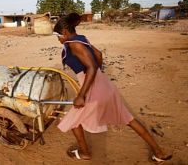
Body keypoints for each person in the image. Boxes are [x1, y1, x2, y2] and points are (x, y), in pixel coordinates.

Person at [53, 13, 172, 162]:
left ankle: (84, 152)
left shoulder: (73, 44)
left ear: (64, 32)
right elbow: (99, 55)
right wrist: (99, 74)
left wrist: (81, 95)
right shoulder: (82, 39)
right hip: (104, 84)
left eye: (58, 36)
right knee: (129, 119)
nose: (58, 40)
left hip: (92, 86)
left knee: (73, 120)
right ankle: (158, 152)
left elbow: (90, 67)